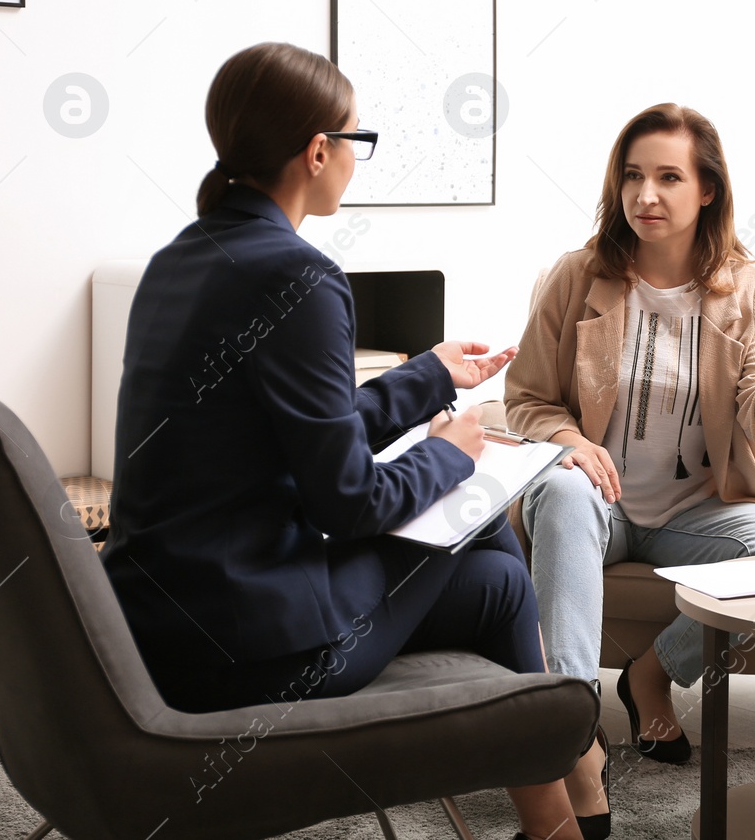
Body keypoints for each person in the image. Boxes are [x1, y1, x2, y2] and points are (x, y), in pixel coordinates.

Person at [102, 42, 584, 840]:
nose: (356, 160)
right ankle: (568, 799)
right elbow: (349, 498)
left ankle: (568, 805)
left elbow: (291, 432)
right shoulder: (302, 276)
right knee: (499, 570)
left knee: (492, 555)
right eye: (356, 142)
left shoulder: (177, 261)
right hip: (254, 650)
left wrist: (430, 374)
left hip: (165, 623)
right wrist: (452, 452)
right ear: (317, 151)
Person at [505, 102, 755, 828]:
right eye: (632, 175)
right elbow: (526, 399)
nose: (644, 195)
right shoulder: (575, 276)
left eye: (667, 177)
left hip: (698, 507)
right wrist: (569, 440)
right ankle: (571, 734)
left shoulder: (750, 284)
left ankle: (652, 674)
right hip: (599, 500)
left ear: (707, 189)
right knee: (561, 492)